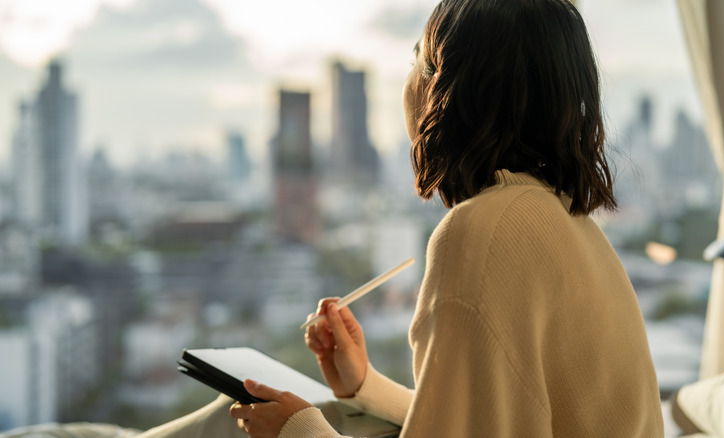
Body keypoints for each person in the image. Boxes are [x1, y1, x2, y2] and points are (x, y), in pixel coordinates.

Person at [144, 0, 664, 436]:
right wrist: (363, 384)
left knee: (224, 421)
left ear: (444, 87)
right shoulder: (571, 227)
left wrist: (299, 431)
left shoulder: (481, 233)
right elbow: (489, 419)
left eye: (419, 60)